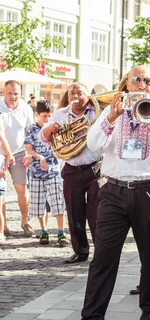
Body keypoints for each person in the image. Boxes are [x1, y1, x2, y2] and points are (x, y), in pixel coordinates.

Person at [71, 66, 150, 320]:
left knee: (149, 254)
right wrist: (111, 118)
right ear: (126, 84)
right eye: (136, 79)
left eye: (147, 81)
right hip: (113, 190)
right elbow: (94, 144)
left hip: (148, 189)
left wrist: (149, 116)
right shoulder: (111, 109)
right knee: (103, 257)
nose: (142, 84)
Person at [42, 83, 103, 263]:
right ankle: (80, 251)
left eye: (80, 93)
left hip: (95, 168)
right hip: (71, 168)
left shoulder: (97, 111)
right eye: (72, 93)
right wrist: (51, 130)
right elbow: (42, 137)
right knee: (74, 212)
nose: (75, 95)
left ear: (88, 96)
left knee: (96, 213)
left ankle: (101, 252)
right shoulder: (60, 114)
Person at [24, 101, 67, 246]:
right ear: (36, 115)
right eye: (44, 116)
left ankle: (61, 232)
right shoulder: (32, 129)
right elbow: (29, 149)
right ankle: (44, 230)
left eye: (49, 116)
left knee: (57, 202)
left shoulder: (54, 127)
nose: (47, 119)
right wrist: (39, 157)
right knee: (38, 204)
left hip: (53, 171)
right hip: (36, 173)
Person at [0, 80, 35, 237]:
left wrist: (29, 152)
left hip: (20, 153)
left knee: (22, 189)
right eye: (10, 93)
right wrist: (7, 154)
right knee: (1, 192)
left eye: (16, 93)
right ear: (3, 92)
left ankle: (24, 222)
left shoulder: (25, 108)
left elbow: (31, 131)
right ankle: (3, 225)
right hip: (0, 153)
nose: (13, 97)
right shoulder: (0, 107)